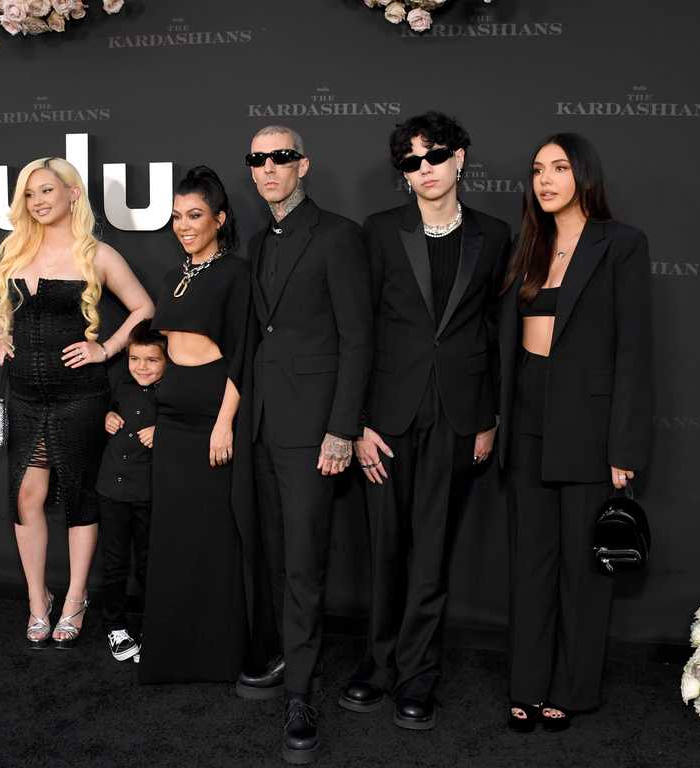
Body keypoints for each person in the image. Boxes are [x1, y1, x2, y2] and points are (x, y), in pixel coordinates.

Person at [341, 112, 511, 730]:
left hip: (458, 415)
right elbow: (358, 331)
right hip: (387, 416)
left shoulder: (493, 235)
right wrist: (356, 421)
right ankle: (377, 665)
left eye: (434, 156)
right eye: (411, 163)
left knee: (432, 551)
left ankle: (418, 675)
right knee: (386, 548)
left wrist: (490, 415)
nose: (425, 170)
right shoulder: (380, 231)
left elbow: (495, 333)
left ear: (460, 157)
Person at [498, 133, 651, 731]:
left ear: (583, 175)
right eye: (538, 169)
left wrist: (625, 446)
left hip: (588, 428)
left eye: (559, 168)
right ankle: (527, 685)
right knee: (530, 565)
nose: (546, 179)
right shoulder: (526, 245)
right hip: (527, 418)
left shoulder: (622, 245)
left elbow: (635, 351)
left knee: (582, 569)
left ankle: (572, 686)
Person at [237, 125, 373, 765]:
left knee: (304, 563)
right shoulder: (260, 239)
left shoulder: (340, 236)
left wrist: (342, 428)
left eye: (280, 158)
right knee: (273, 554)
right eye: (258, 160)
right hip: (263, 425)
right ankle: (288, 662)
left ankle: (301, 693)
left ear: (303, 166)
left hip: (315, 431)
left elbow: (358, 338)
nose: (268, 169)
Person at [0, 157, 154, 650]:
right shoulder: (14, 249)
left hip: (80, 396)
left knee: (81, 499)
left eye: (46, 191)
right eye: (30, 194)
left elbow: (144, 306)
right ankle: (38, 600)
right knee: (27, 497)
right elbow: (4, 309)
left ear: (72, 194)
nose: (37, 201)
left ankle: (76, 597)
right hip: (23, 396)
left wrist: (106, 348)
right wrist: (1, 332)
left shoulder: (97, 253)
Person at [139, 166, 255, 684]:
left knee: (213, 538)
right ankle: (171, 653)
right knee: (172, 535)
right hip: (173, 419)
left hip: (212, 418)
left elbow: (242, 356)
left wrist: (225, 423)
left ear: (220, 219)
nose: (183, 226)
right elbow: (163, 350)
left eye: (195, 216)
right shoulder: (171, 277)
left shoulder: (236, 273)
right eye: (176, 217)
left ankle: (216, 655)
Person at [95, 319, 166, 663]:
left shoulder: (172, 395)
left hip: (149, 493)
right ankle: (115, 627)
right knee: (114, 563)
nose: (142, 367)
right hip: (111, 489)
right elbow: (104, 412)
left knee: (151, 564)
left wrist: (164, 430)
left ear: (166, 361)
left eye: (152, 360)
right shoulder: (119, 383)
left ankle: (155, 628)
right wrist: (107, 416)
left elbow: (192, 426)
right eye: (136, 359)